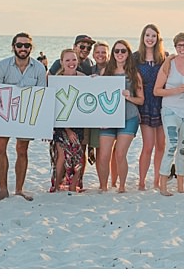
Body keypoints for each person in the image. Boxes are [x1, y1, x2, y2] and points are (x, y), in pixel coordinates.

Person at [0, 32, 47, 204]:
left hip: (26, 115)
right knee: (0, 147)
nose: (23, 48)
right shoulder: (2, 66)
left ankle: (19, 189)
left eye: (27, 45)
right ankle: (2, 189)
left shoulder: (39, 68)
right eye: (20, 45)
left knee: (22, 149)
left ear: (31, 47)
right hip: (5, 113)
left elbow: (41, 95)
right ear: (13, 46)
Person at [47, 34, 95, 190]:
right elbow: (53, 103)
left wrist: (95, 80)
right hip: (61, 124)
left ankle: (74, 186)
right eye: (67, 60)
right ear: (61, 62)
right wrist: (66, 130)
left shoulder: (84, 75)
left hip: (78, 121)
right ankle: (57, 185)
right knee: (61, 155)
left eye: (73, 60)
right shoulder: (56, 78)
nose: (71, 63)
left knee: (79, 155)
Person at [153, 32, 184, 196]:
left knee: (182, 149)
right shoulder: (168, 64)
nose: (182, 48)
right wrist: (175, 91)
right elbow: (156, 91)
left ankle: (180, 185)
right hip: (170, 111)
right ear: (175, 47)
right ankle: (163, 186)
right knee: (171, 146)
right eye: (179, 45)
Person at [98, 40, 144, 193]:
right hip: (108, 117)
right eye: (116, 51)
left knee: (120, 154)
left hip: (129, 117)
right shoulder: (106, 72)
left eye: (123, 51)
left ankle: (122, 186)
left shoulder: (134, 74)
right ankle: (104, 187)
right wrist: (92, 81)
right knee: (104, 155)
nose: (119, 54)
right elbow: (97, 93)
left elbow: (141, 99)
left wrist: (129, 97)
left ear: (128, 53)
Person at [133, 24, 166, 191]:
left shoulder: (164, 58)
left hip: (162, 104)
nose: (150, 39)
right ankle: (142, 181)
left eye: (153, 36)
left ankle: (157, 181)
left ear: (158, 38)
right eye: (147, 35)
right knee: (148, 145)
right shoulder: (136, 58)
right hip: (145, 103)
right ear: (143, 37)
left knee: (161, 145)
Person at [90, 40, 111, 186]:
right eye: (97, 52)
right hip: (94, 117)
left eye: (103, 52)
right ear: (93, 54)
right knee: (99, 151)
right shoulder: (90, 70)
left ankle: (114, 182)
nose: (100, 55)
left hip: (111, 115)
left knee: (113, 152)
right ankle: (102, 183)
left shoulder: (114, 69)